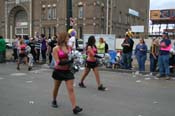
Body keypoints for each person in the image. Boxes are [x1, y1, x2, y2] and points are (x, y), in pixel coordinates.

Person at [51, 32, 82, 114]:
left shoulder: (69, 47)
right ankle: (54, 100)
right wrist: (69, 61)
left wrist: (77, 61)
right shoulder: (56, 49)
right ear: (63, 38)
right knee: (56, 87)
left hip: (68, 71)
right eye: (67, 37)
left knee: (71, 89)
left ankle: (75, 107)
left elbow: (74, 56)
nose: (68, 38)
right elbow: (58, 62)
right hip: (59, 71)